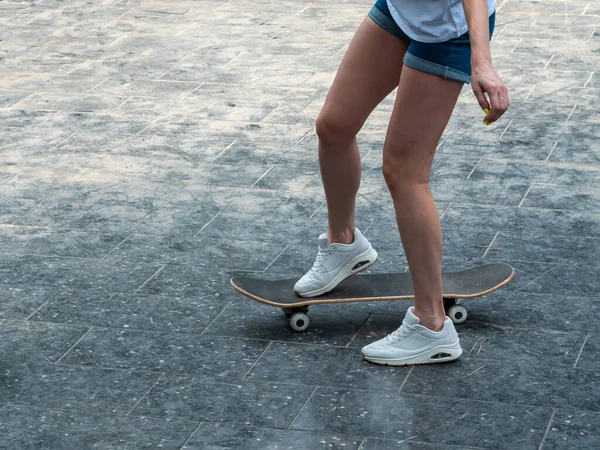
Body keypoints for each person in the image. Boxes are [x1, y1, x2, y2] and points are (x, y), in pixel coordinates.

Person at [293, 0, 509, 366]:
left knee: (404, 171)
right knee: (334, 126)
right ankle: (344, 244)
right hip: (402, 9)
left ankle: (432, 327)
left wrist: (481, 60)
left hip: (448, 30)